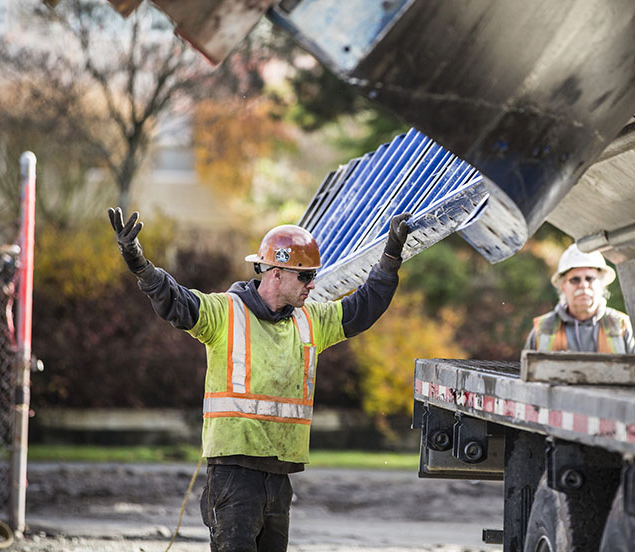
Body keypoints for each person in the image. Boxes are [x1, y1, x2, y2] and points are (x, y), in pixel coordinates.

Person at [107, 207, 410, 552]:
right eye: (305, 276)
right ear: (276, 274)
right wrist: (138, 263)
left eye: (313, 275)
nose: (313, 284)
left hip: (278, 476)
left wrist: (390, 258)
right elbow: (176, 300)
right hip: (234, 475)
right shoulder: (225, 312)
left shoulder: (310, 320)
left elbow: (363, 308)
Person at [526, 243, 635, 354]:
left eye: (590, 278)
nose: (583, 285)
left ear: (601, 284)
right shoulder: (542, 329)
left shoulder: (622, 325)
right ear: (563, 287)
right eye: (575, 279)